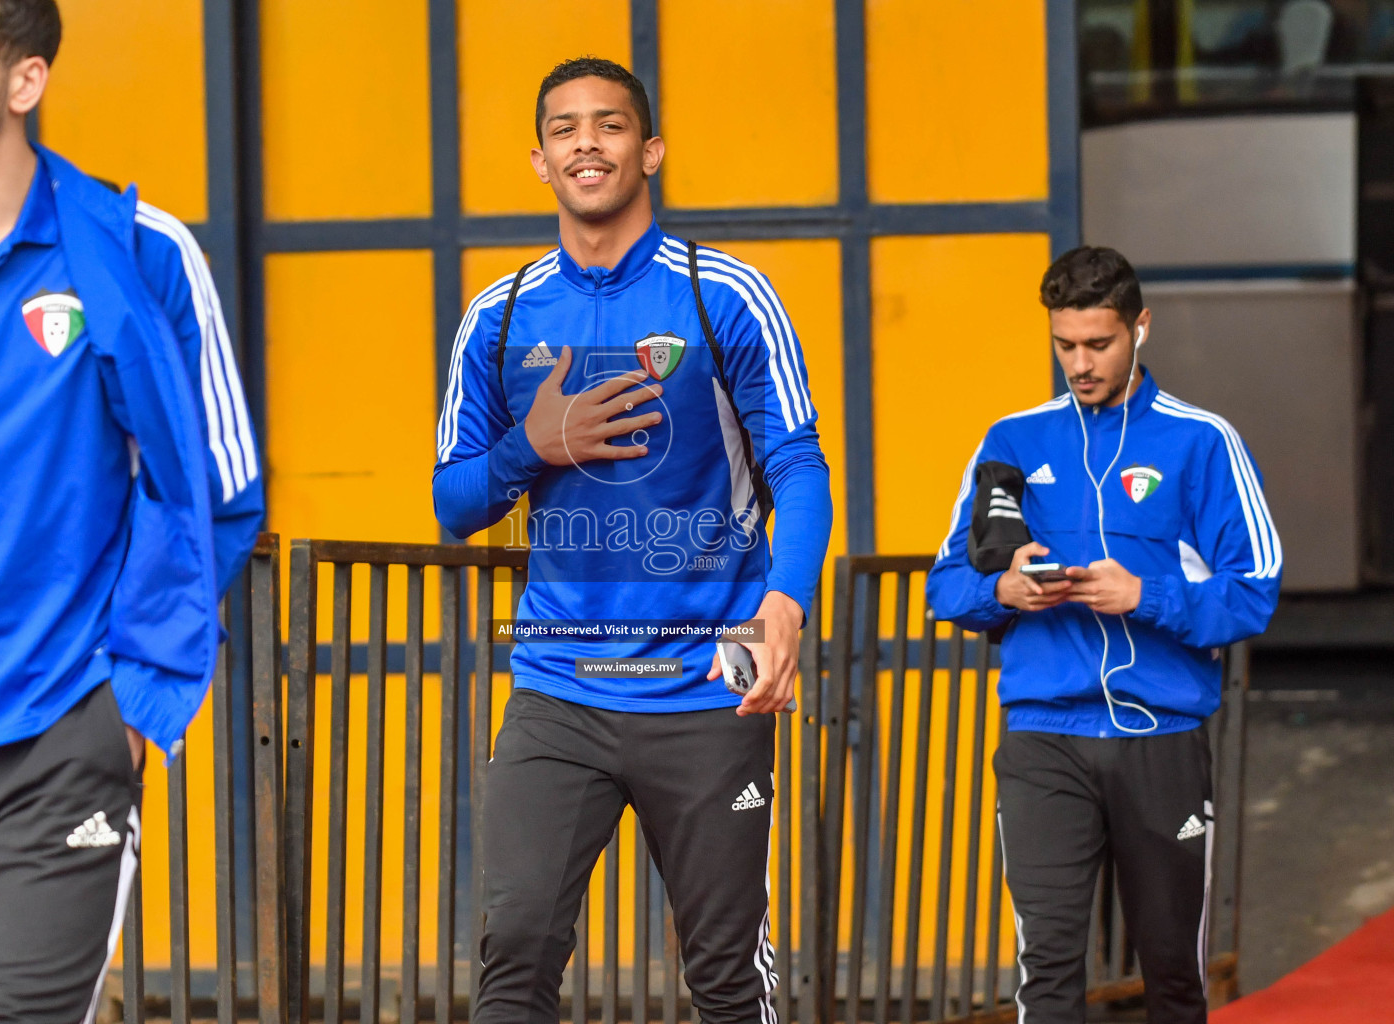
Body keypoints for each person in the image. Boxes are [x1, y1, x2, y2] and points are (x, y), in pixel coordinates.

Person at [0, 1, 263, 1020]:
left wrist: (130, 707)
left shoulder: (139, 250)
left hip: (62, 729)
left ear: (25, 79)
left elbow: (217, 489)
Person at [433, 56, 832, 1024]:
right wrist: (534, 445)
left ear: (648, 149)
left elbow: (799, 463)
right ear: (539, 159)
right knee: (515, 950)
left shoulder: (724, 292)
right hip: (558, 684)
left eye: (609, 126)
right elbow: (453, 502)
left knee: (727, 974)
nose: (587, 144)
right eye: (565, 129)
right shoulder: (497, 316)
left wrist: (785, 599)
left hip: (708, 681)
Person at [926, 246, 1280, 1023]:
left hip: (1163, 739)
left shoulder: (1202, 442)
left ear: (1140, 328)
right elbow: (945, 585)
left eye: (1099, 344)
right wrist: (1005, 591)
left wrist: (1145, 595)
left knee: (1172, 976)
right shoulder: (1012, 440)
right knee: (1048, 974)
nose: (1080, 363)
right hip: (1044, 740)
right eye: (1064, 346)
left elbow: (1253, 593)